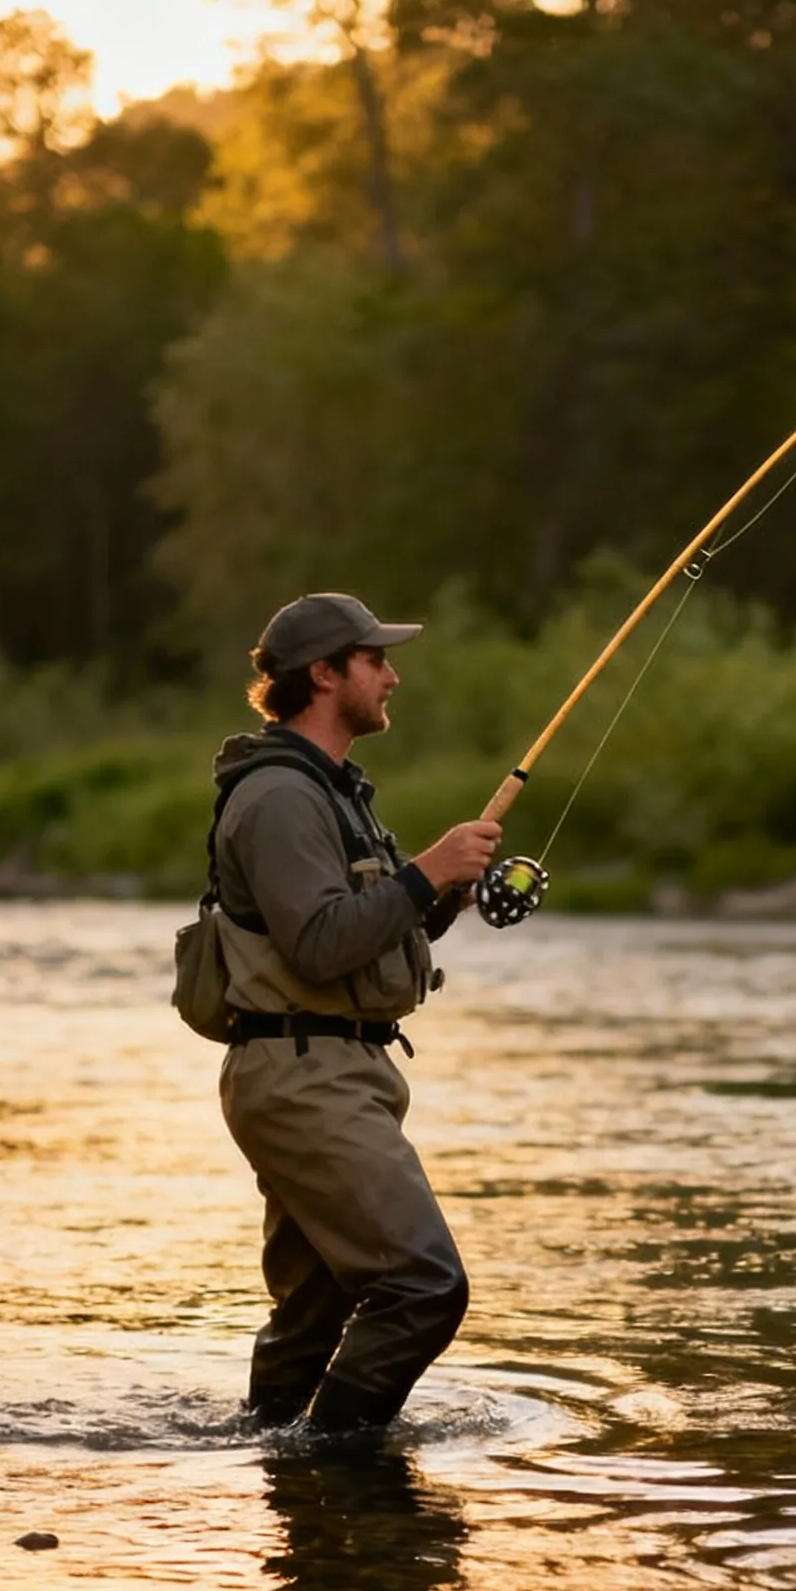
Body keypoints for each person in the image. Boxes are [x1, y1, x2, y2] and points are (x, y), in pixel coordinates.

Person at [209, 591, 501, 1436]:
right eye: (375, 661)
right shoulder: (279, 799)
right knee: (424, 1286)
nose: (392, 676)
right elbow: (317, 945)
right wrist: (426, 870)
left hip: (325, 1068)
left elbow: (354, 925)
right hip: (305, 1079)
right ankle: (336, 1460)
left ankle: (270, 1448)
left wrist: (439, 895)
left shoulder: (330, 790)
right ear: (325, 674)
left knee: (319, 1306)